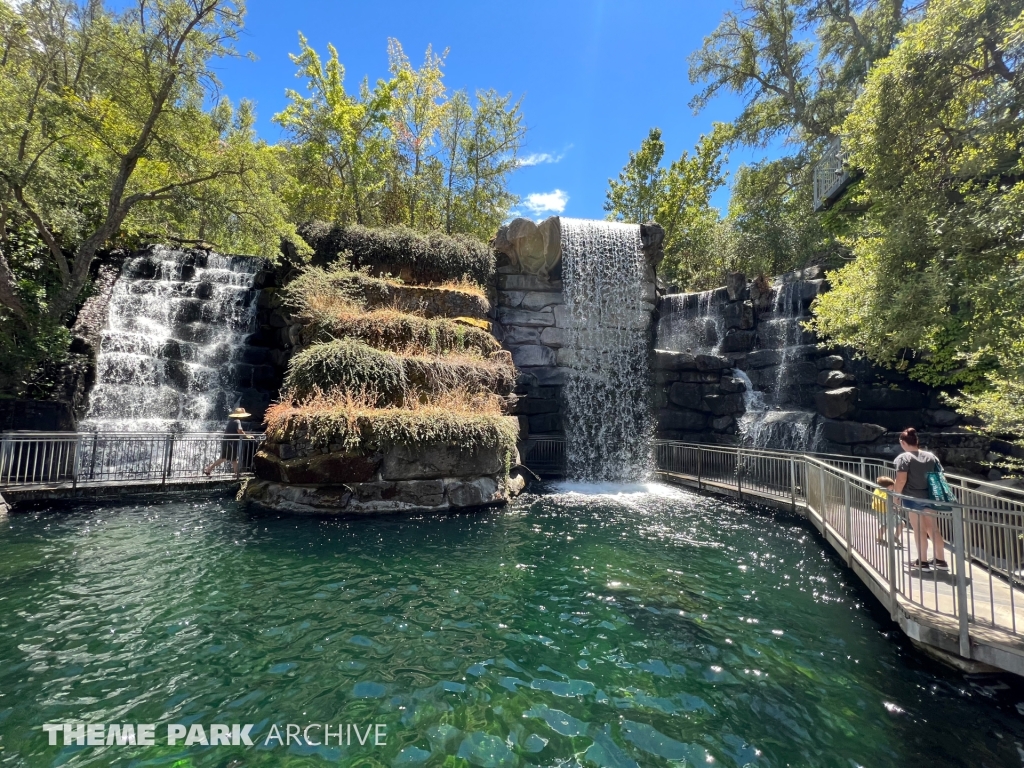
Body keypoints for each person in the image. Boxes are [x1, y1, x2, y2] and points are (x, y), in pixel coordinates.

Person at [893, 427, 947, 571]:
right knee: (933, 528)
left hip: (912, 497)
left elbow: (900, 480)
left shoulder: (903, 458)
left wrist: (896, 497)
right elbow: (939, 475)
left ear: (902, 442)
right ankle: (940, 560)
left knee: (919, 529)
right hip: (930, 496)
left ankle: (922, 562)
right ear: (917, 441)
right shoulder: (931, 456)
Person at [204, 407, 250, 479]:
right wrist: (247, 436)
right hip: (231, 443)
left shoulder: (231, 421)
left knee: (223, 458)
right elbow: (240, 431)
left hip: (226, 441)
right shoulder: (237, 421)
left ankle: (209, 469)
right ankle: (237, 474)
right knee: (233, 459)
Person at [873, 476, 904, 546]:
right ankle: (895, 537)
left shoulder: (878, 490)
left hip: (879, 511)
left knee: (885, 525)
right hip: (887, 512)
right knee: (901, 523)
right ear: (890, 486)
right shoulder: (886, 493)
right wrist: (895, 506)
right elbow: (887, 501)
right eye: (893, 486)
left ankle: (879, 538)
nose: (893, 488)